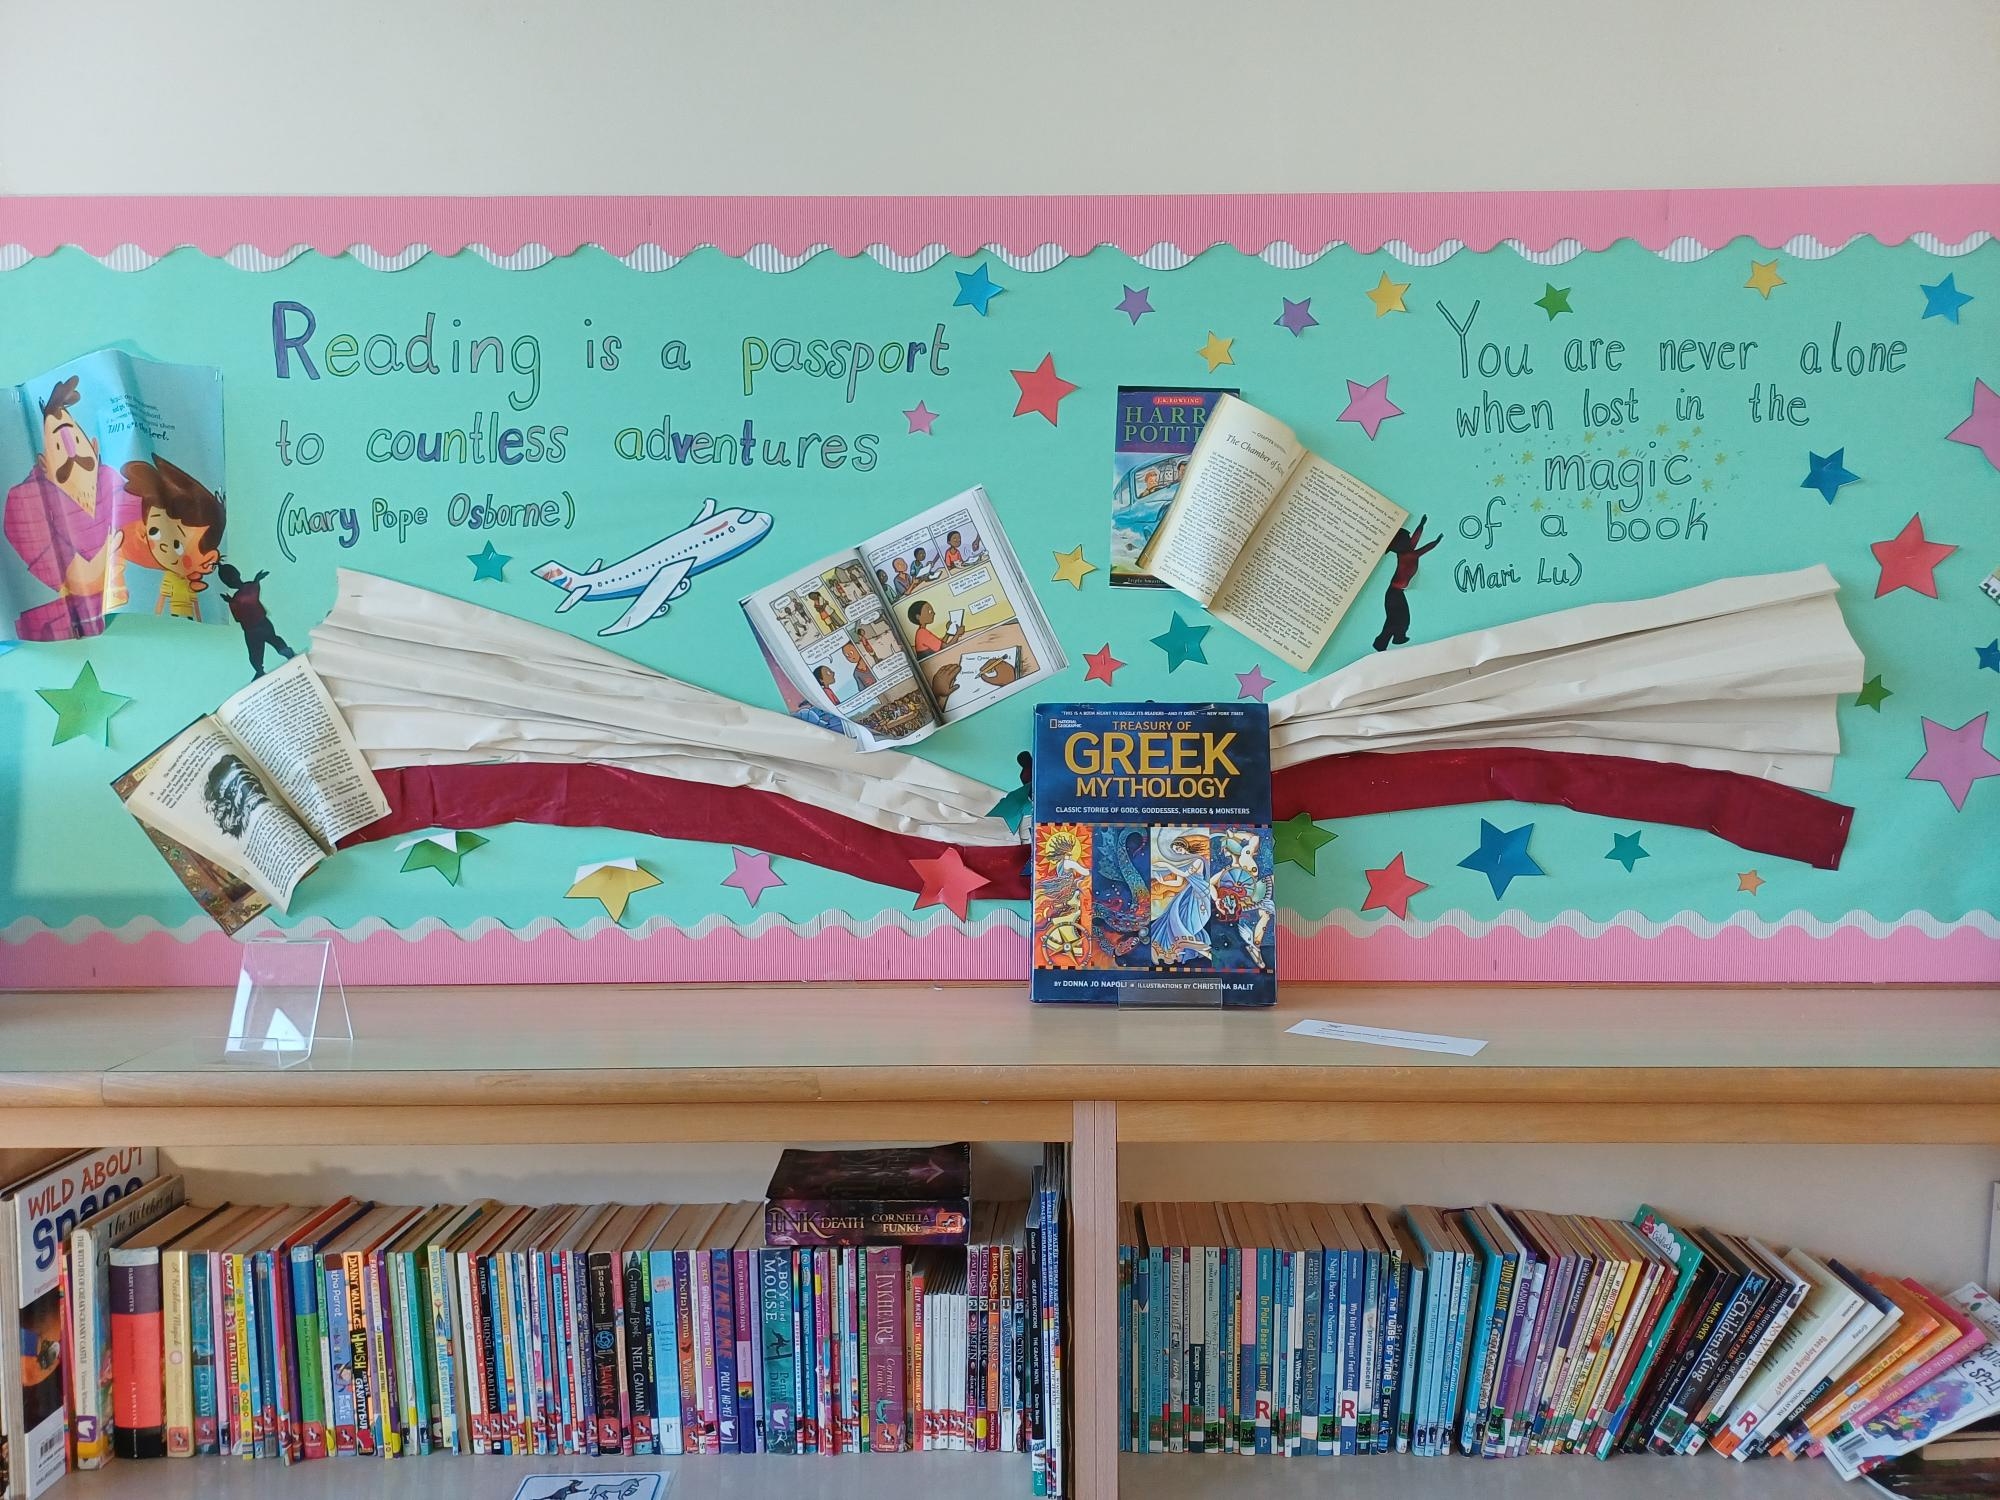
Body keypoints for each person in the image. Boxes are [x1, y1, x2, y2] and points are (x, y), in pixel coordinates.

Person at [3, 376, 128, 640]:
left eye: (77, 444)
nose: (73, 455)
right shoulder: (24, 503)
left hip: (125, 618)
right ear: (43, 464)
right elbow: (78, 579)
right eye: (59, 447)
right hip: (62, 629)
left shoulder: (112, 481)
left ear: (94, 447)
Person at [119, 457, 225, 620]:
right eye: (154, 531)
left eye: (178, 545)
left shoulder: (186, 579)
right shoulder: (169, 575)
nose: (162, 547)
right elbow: (163, 596)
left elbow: (194, 602)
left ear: (209, 557)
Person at [217, 562, 296, 676]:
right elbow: (252, 593)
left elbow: (238, 617)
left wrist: (232, 602)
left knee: (256, 652)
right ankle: (286, 654)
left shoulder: (237, 598)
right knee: (273, 640)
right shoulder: (249, 587)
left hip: (251, 630)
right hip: (262, 624)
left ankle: (260, 670)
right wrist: (256, 580)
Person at [1374, 514, 1439, 652]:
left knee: (1395, 619)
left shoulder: (1407, 551)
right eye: (1407, 540)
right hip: (1395, 593)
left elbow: (1415, 538)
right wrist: (1436, 541)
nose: (1411, 540)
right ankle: (1391, 640)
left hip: (1395, 592)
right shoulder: (1409, 554)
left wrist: (1421, 525)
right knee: (1399, 619)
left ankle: (1392, 639)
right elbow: (1425, 548)